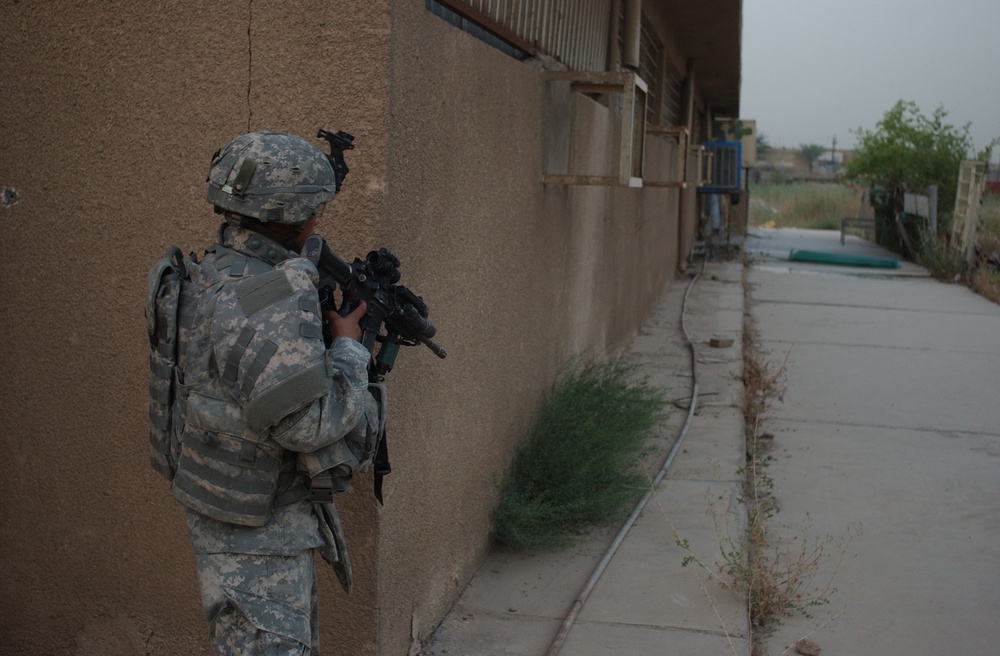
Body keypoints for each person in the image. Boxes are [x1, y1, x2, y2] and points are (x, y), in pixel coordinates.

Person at [145, 130, 381, 654]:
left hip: (230, 514)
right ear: (287, 215)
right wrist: (348, 352)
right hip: (259, 538)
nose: (318, 221)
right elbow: (306, 424)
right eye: (314, 209)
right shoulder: (271, 294)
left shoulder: (209, 273)